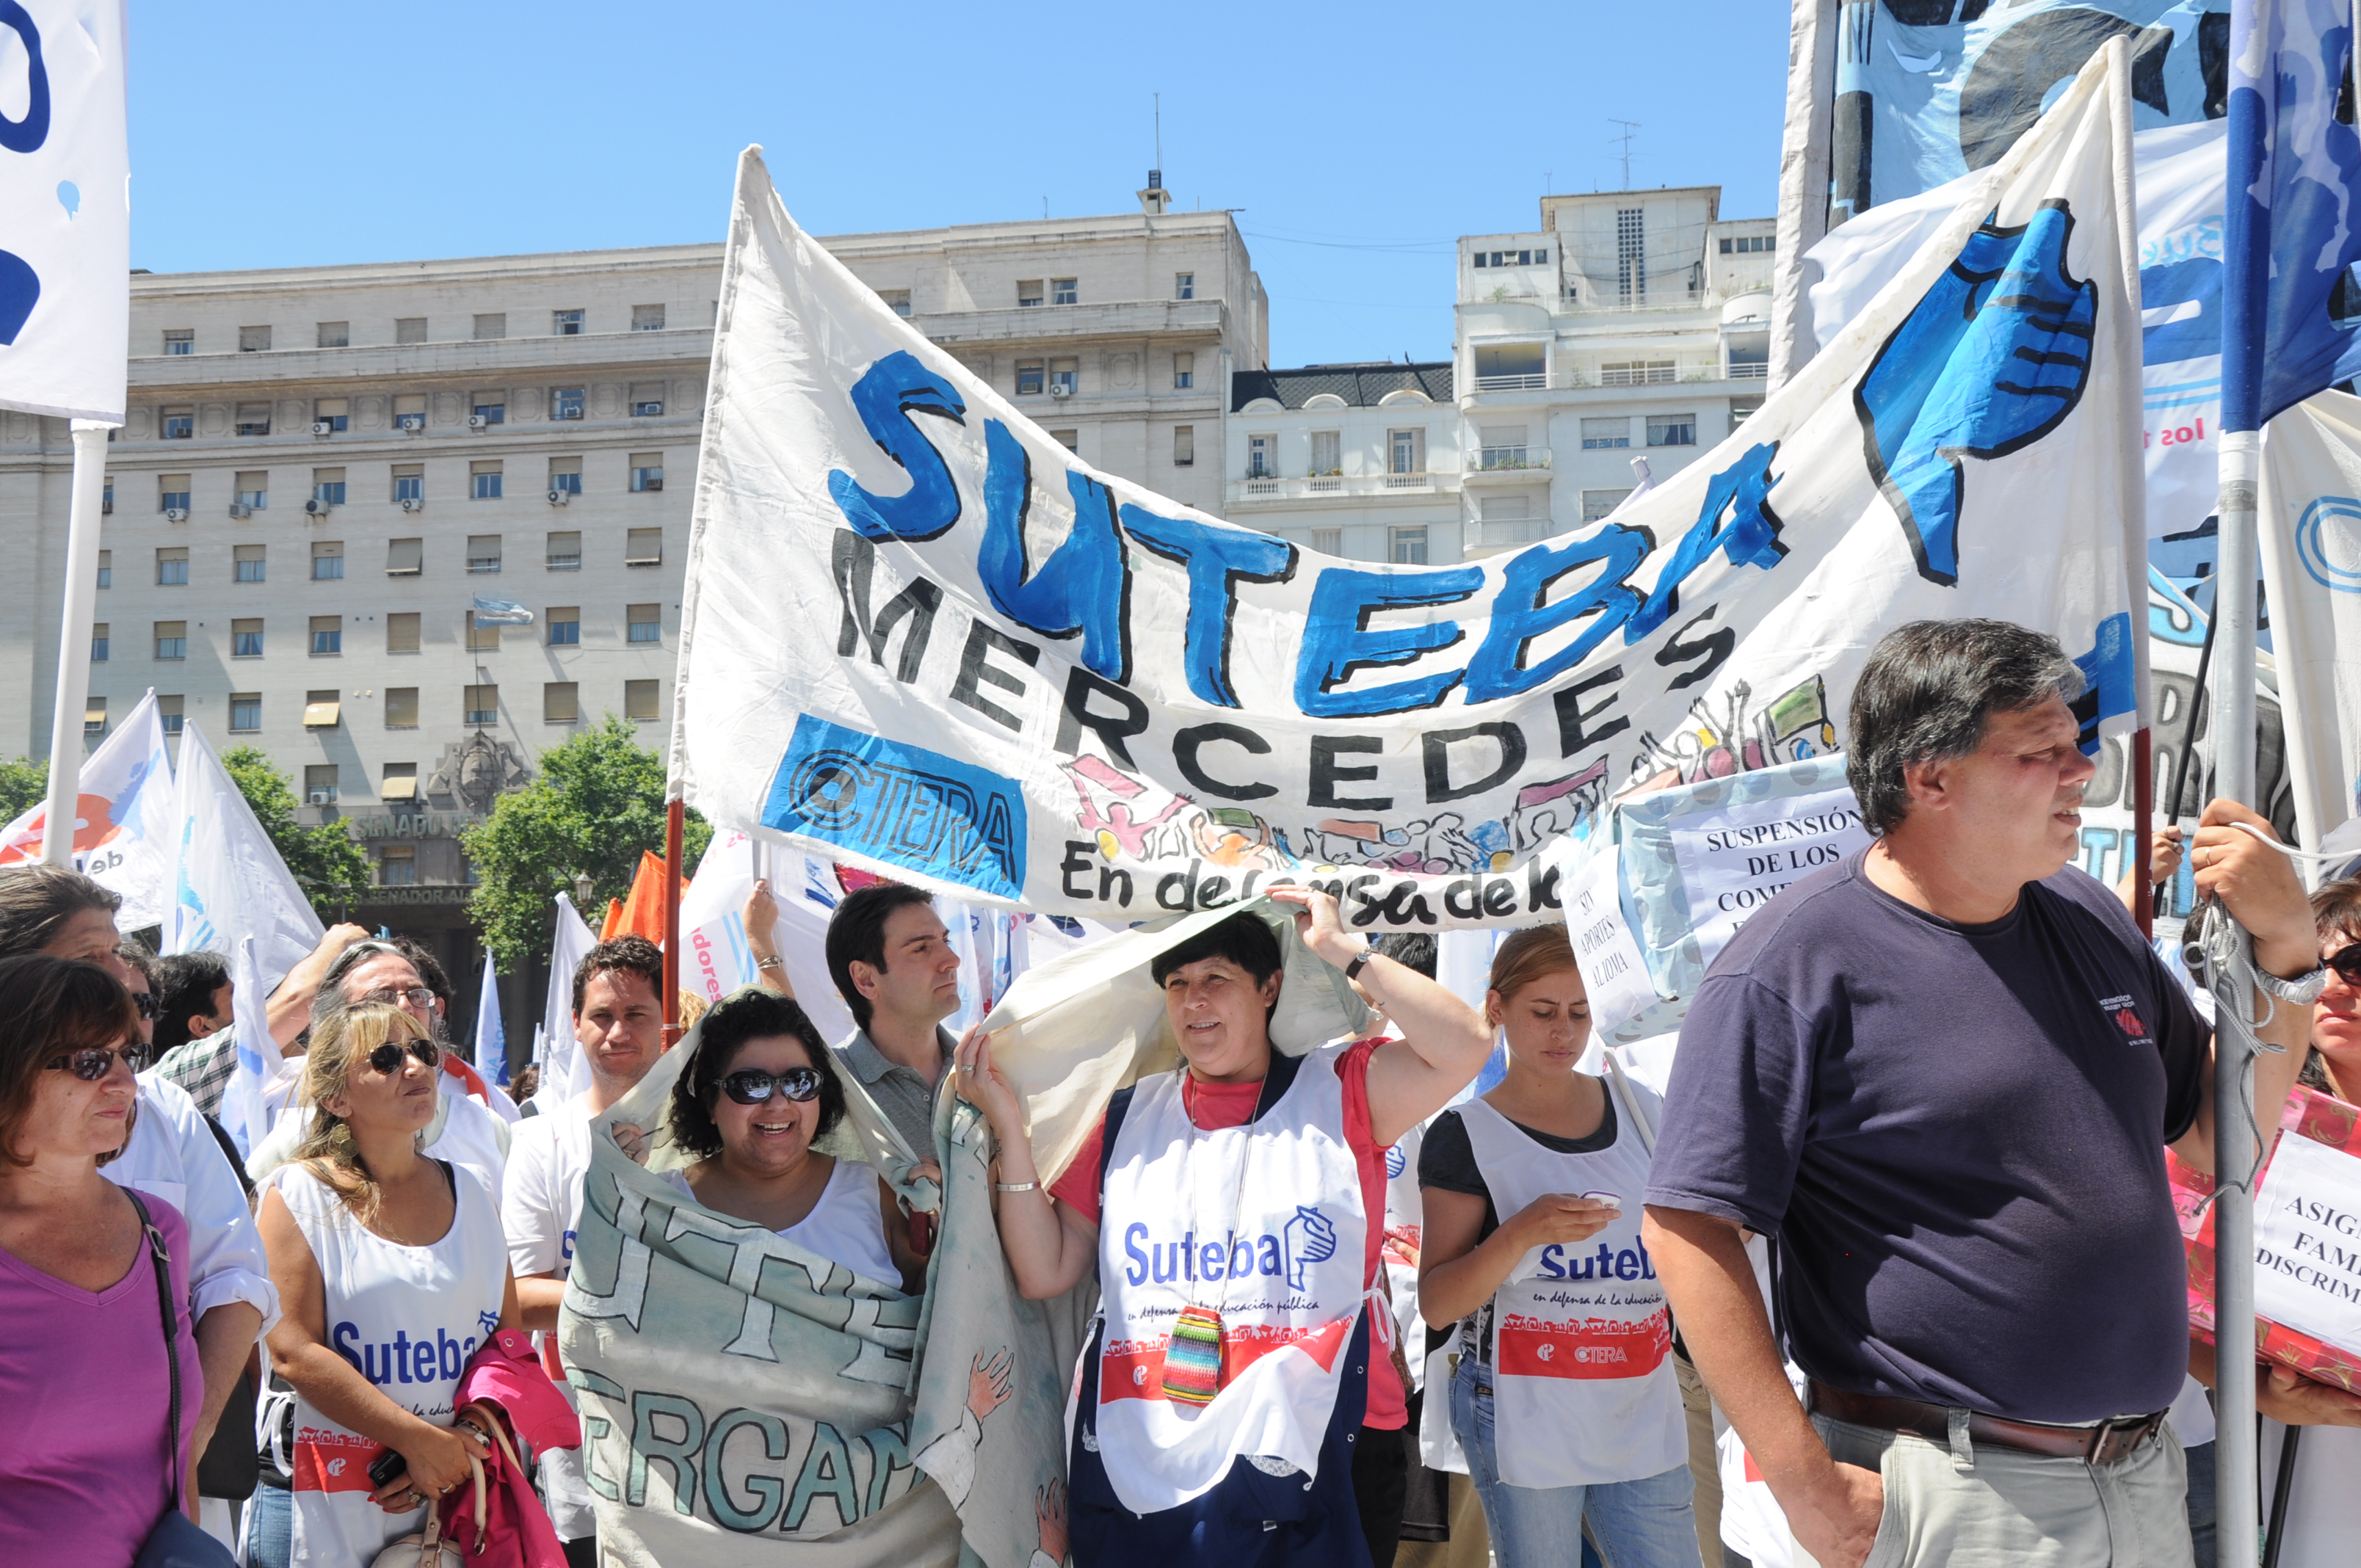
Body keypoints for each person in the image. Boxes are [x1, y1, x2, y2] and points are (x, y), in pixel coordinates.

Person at [1642, 619, 2322, 1568]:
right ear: (1930, 779)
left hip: (2139, 1478)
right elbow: (1687, 1229)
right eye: (2042, 751)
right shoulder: (1795, 966)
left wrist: (2289, 952)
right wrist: (1804, 1484)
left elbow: (2220, 1137)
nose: (2082, 770)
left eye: (2076, 744)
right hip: (1947, 1497)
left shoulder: (2087, 912)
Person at [954, 890, 1493, 1568]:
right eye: (1177, 984)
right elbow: (1045, 1269)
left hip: (1322, 1447)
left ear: (1269, 987)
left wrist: (1339, 950)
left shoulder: (1345, 1089)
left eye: (1216, 978)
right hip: (1149, 1451)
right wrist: (1009, 1128)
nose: (1194, 1001)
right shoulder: (1123, 1117)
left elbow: (1467, 1045)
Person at [1417, 925, 1699, 1568]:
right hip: (1522, 1404)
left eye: (1580, 1012)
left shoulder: (1645, 1110)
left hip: (1638, 1399)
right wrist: (1522, 1232)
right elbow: (1437, 1304)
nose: (1563, 1032)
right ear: (1497, 1008)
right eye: (1543, 1012)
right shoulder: (1466, 1134)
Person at [0, 865, 276, 1518]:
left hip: (162, 1508)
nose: (122, 975)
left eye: (117, 952)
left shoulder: (162, 1116)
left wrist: (183, 1449)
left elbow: (235, 1280)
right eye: (90, 957)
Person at [252, 1003, 518, 1568]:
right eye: (388, 1058)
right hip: (324, 1502)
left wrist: (461, 1445)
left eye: (422, 1051)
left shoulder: (474, 1192)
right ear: (335, 1098)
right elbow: (293, 1350)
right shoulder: (295, 1194)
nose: (416, 1068)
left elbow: (507, 1345)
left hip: (452, 1493)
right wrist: (418, 1443)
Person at [2180, 877, 2361, 1568]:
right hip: (2293, 1470)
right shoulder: (2239, 1120)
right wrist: (2260, 1392)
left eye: (2356, 965)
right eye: (2313, 968)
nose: (2332, 988)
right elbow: (2175, 1309)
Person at [0, 954, 201, 1566]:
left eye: (127, 1056)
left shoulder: (159, 1232)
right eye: (91, 1062)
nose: (125, 1083)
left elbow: (175, 1461)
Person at [501, 934, 667, 1568]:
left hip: (702, 1451)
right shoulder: (539, 1142)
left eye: (636, 1014)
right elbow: (520, 1295)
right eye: (602, 1015)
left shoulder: (715, 1136)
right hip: (585, 1459)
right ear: (575, 1024)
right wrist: (651, 1299)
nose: (617, 1031)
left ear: (664, 1021)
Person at [662, 986, 930, 1295]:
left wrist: (948, 1233)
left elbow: (925, 1304)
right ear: (710, 1102)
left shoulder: (877, 1195)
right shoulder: (662, 1205)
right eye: (750, 1084)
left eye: (799, 1081)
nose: (778, 1104)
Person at [249, 941, 513, 1205]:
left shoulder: (488, 1129)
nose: (405, 1006)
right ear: (334, 1025)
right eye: (382, 997)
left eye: (417, 995)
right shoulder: (293, 1149)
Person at [150, 922, 373, 1117]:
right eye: (235, 998)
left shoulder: (241, 1067)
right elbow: (299, 997)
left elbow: (311, 1073)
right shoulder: (177, 1077)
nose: (250, 1005)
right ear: (202, 1026)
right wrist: (337, 943)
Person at [826, 881, 964, 1157]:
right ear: (865, 979)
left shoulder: (987, 1061)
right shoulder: (828, 1090)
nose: (952, 959)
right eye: (921, 948)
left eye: (945, 941)